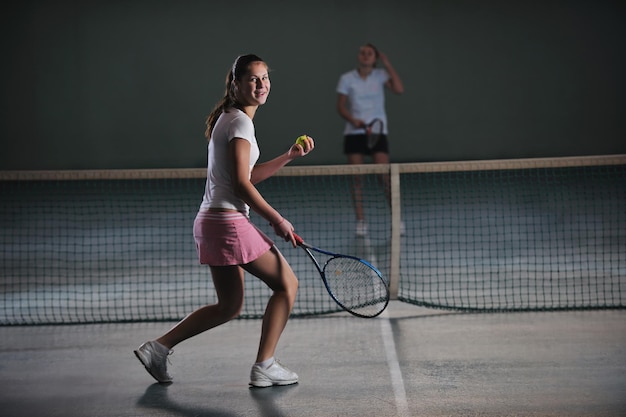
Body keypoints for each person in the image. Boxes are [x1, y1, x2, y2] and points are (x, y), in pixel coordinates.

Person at [134, 54, 314, 388]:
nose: (261, 85)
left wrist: (288, 156)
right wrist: (278, 219)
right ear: (235, 84)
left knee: (229, 305)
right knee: (287, 285)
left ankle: (158, 349)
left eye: (264, 78)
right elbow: (240, 185)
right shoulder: (240, 123)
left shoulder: (230, 119)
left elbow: (245, 175)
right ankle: (265, 365)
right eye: (252, 79)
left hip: (211, 222)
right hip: (228, 223)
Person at [336, 43, 404, 236]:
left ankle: (397, 220)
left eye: (370, 53)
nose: (365, 56)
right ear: (359, 56)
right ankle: (361, 222)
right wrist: (353, 120)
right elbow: (340, 107)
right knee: (357, 179)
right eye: (362, 53)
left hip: (377, 131)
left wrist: (387, 64)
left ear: (375, 58)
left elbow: (399, 89)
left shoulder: (381, 76)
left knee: (385, 177)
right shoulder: (347, 79)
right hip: (354, 133)